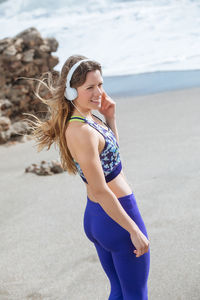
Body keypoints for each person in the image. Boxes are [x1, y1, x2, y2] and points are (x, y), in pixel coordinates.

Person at [28, 54, 150, 300]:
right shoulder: (81, 131)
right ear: (72, 92)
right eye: (90, 87)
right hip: (115, 216)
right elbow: (102, 189)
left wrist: (110, 118)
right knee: (136, 294)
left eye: (101, 85)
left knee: (120, 291)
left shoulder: (86, 118)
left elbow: (112, 162)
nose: (98, 92)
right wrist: (133, 230)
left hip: (99, 218)